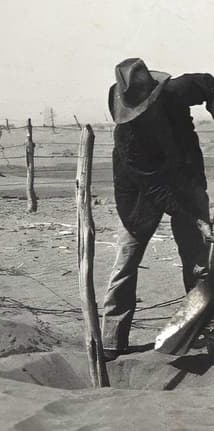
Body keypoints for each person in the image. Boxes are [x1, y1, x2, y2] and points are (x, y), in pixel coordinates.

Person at [103, 58, 214, 360]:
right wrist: (196, 218)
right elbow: (155, 187)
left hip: (186, 184)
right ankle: (113, 341)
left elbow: (208, 82)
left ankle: (201, 329)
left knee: (199, 263)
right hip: (140, 195)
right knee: (126, 262)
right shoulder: (127, 136)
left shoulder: (176, 92)